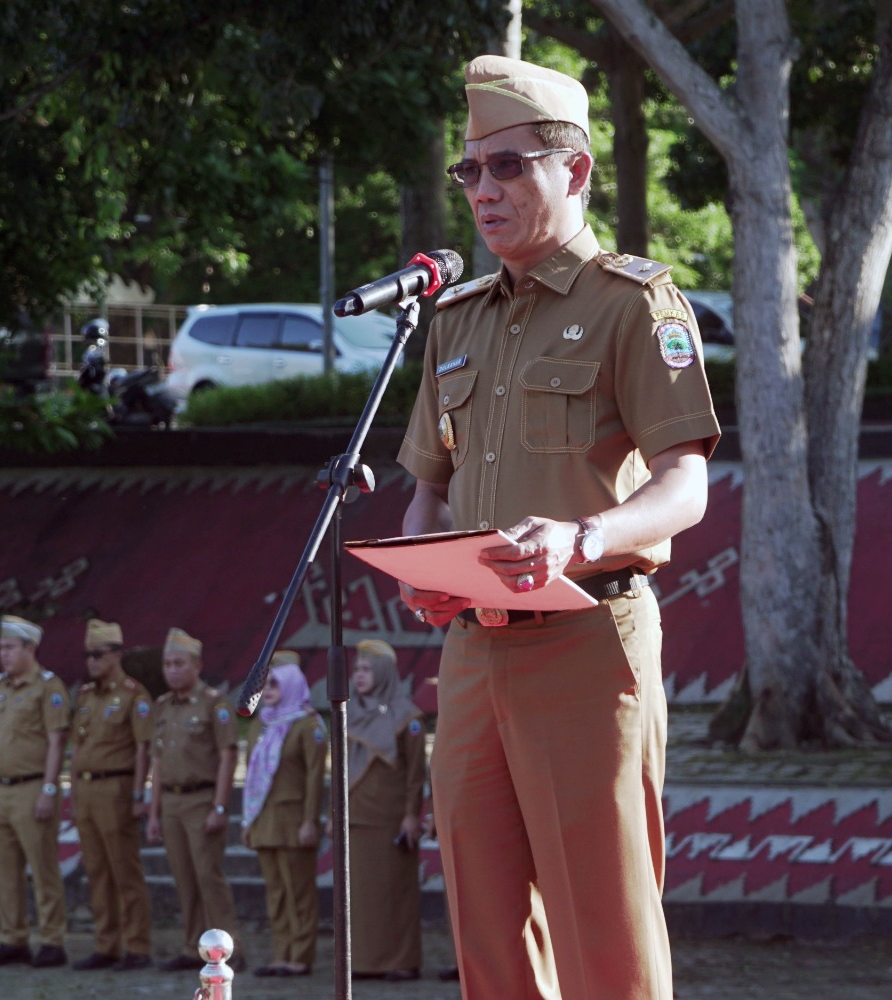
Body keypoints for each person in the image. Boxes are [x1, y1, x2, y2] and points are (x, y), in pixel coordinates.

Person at [395, 55, 720, 999]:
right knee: (485, 927)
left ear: (573, 172)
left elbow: (686, 485)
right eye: (470, 172)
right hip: (472, 651)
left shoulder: (633, 303)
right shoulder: (453, 318)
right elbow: (427, 490)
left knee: (600, 927)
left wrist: (581, 538)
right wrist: (422, 564)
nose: (482, 192)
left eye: (509, 168)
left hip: (588, 636)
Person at [0, 614, 72, 970]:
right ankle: (13, 938)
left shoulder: (48, 687)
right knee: (4, 870)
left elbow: (56, 742)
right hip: (1, 790)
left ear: (30, 649)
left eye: (10, 647)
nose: (3, 654)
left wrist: (49, 787)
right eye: (1, 648)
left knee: (42, 867)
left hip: (32, 787)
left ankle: (52, 940)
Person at [145, 627, 243, 973]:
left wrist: (220, 805)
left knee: (208, 876)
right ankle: (192, 947)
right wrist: (154, 812)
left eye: (179, 663)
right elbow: (157, 761)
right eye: (168, 664)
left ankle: (229, 946)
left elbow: (228, 755)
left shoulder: (214, 703)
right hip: (171, 800)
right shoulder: (162, 706)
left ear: (197, 665)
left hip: (202, 799)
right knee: (183, 878)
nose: (172, 670)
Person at [68, 618, 153, 971]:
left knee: (124, 870)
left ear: (117, 655)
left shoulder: (134, 695)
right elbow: (78, 745)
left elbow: (142, 748)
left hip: (117, 787)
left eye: (98, 654)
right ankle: (107, 943)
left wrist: (137, 794)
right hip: (87, 789)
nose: (91, 661)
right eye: (88, 655)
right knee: (97, 871)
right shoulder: (86, 696)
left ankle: (137, 946)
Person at [345, 639, 426, 982]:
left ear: (384, 673)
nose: (359, 676)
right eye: (357, 669)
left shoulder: (407, 716)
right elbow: (343, 769)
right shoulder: (347, 712)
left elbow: (415, 773)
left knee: (395, 893)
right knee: (360, 896)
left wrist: (411, 814)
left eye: (367, 669)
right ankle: (363, 962)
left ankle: (401, 961)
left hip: (392, 818)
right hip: (357, 817)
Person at [242, 657, 325, 978]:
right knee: (276, 893)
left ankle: (300, 956)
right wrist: (248, 822)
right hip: (264, 820)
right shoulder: (261, 723)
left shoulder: (308, 725)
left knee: (298, 892)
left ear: (291, 684)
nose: (268, 691)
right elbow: (251, 777)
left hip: (293, 822)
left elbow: (314, 778)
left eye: (275, 684)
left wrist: (310, 820)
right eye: (266, 684)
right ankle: (281, 953)